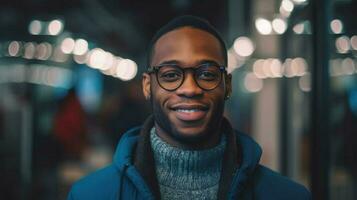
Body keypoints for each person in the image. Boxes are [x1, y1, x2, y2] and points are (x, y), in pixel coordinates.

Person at [67, 15, 311, 200]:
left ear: (227, 85)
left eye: (207, 74)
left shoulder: (287, 196)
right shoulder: (90, 195)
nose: (190, 88)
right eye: (171, 75)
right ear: (147, 86)